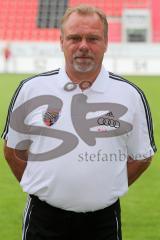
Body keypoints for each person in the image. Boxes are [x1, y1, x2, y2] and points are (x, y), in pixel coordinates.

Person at [2, 4, 157, 240]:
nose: (83, 46)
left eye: (93, 38)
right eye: (74, 37)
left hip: (102, 223)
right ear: (61, 41)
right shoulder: (31, 90)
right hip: (43, 220)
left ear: (106, 42)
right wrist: (44, 187)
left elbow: (142, 156)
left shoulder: (130, 95)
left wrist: (105, 188)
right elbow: (13, 151)